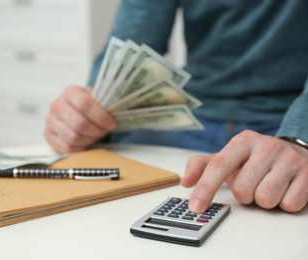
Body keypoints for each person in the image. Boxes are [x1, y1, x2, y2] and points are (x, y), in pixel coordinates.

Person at [44, 0, 308, 213]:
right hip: (193, 117)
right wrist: (89, 112)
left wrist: (300, 138)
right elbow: (131, 42)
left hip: (287, 120)